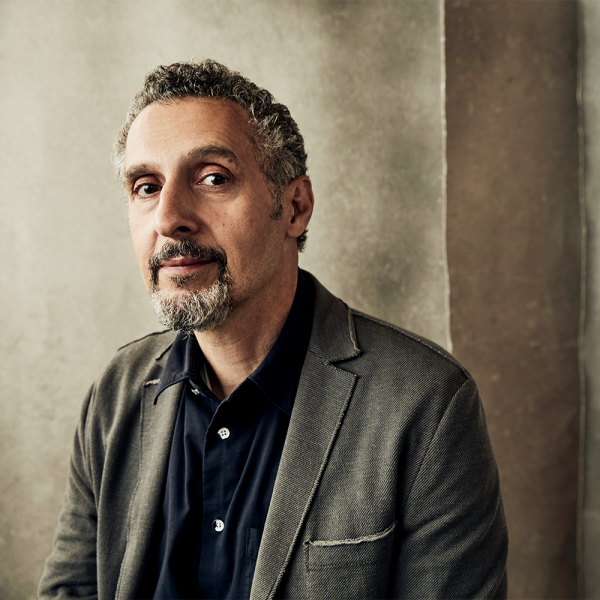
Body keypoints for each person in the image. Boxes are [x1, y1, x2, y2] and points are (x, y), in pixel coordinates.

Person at [39, 59, 508, 600]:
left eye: (213, 177)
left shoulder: (426, 405)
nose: (169, 217)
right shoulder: (115, 393)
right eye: (146, 186)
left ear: (294, 206)